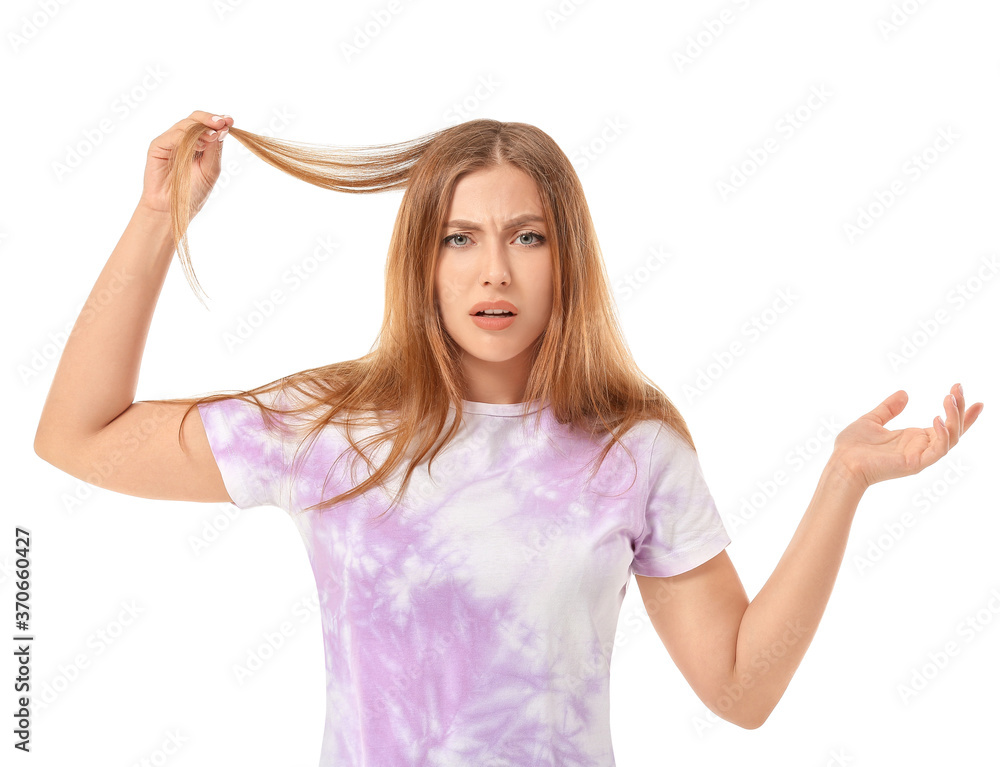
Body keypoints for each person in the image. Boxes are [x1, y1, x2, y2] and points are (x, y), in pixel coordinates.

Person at [33, 110, 983, 766]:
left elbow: (740, 689)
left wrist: (843, 481)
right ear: (422, 260)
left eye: (527, 236)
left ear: (567, 256)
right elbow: (79, 436)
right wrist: (162, 216)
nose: (495, 270)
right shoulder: (333, 428)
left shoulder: (634, 449)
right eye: (461, 238)